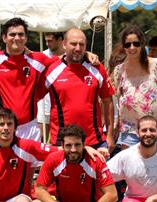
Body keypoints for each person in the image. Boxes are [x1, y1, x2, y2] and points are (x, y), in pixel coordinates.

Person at [43, 28, 115, 157]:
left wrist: (109, 134)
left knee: (100, 177)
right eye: (73, 44)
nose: (77, 48)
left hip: (94, 141)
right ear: (64, 44)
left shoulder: (96, 67)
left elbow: (107, 100)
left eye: (81, 44)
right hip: (62, 143)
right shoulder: (51, 69)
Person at [113, 25, 157, 149]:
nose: (132, 48)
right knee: (131, 169)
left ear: (142, 44)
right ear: (123, 47)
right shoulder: (119, 71)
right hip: (130, 134)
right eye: (127, 44)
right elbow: (117, 103)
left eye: (136, 43)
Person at [37, 32, 65, 142]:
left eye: (50, 41)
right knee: (41, 140)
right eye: (46, 41)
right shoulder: (42, 56)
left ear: (60, 40)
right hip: (43, 105)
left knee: (60, 141)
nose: (47, 44)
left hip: (60, 107)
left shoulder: (70, 55)